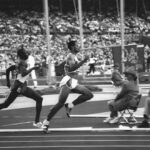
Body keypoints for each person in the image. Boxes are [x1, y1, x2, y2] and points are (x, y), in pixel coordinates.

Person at [42, 39, 93, 133]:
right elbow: (71, 69)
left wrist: (83, 61)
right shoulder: (70, 56)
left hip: (73, 82)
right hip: (68, 82)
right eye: (77, 45)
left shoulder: (74, 56)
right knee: (60, 103)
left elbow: (71, 67)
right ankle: (46, 123)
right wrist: (83, 61)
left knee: (89, 95)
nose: (79, 47)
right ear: (73, 47)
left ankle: (70, 105)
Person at [0, 47, 43, 128]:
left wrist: (8, 83)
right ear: (21, 55)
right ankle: (36, 122)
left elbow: (8, 70)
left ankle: (37, 122)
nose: (26, 53)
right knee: (5, 104)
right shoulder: (20, 63)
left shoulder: (20, 63)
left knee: (39, 99)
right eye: (25, 52)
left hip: (22, 86)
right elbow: (23, 74)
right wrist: (33, 68)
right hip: (18, 87)